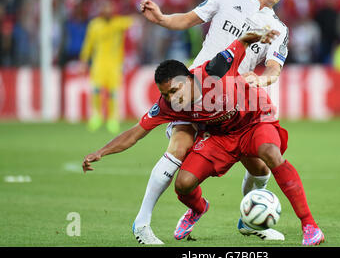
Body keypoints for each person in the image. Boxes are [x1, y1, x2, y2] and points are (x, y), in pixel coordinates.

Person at [82, 30, 325, 246]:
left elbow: (240, 42)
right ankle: (198, 209)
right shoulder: (169, 105)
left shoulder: (214, 70)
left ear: (188, 79)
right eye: (165, 94)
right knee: (183, 184)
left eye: (175, 90)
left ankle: (309, 226)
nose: (171, 98)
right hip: (220, 136)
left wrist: (260, 35)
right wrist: (101, 152)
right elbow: (135, 133)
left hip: (254, 121)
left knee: (270, 155)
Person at [135, 0, 291, 244]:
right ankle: (142, 224)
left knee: (260, 168)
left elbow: (273, 68)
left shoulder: (278, 28)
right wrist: (161, 18)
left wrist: (264, 80)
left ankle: (250, 222)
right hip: (195, 92)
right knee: (179, 146)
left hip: (232, 105)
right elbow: (187, 19)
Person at [79, 1, 133, 134]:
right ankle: (96, 116)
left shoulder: (118, 23)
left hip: (114, 65)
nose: (108, 11)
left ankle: (112, 119)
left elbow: (134, 21)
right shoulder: (95, 25)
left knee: (113, 93)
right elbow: (89, 43)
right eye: (105, 8)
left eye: (110, 8)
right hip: (99, 63)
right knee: (96, 90)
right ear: (101, 11)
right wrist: (84, 59)